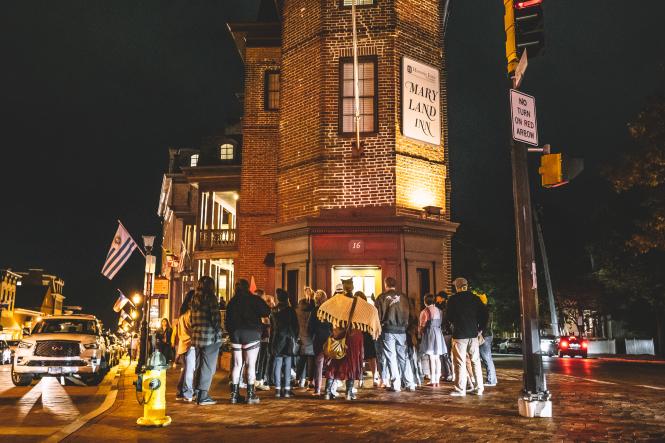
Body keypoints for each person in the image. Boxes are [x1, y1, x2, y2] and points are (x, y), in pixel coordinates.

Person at [318, 279, 381, 401]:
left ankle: (327, 392)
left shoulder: (337, 300)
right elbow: (373, 311)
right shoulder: (359, 303)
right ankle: (348, 393)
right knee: (352, 363)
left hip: (339, 334)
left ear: (344, 287)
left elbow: (323, 307)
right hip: (354, 336)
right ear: (352, 287)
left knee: (335, 361)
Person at [225, 278, 271, 404]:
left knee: (237, 365)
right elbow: (267, 311)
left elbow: (227, 320)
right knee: (250, 365)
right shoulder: (254, 300)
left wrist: (231, 332)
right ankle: (250, 395)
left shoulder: (232, 302)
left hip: (236, 334)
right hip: (252, 333)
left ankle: (234, 395)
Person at [445, 277, 488, 397]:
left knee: (460, 362)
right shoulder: (475, 298)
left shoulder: (453, 299)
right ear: (467, 286)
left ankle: (460, 389)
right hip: (473, 334)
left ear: (456, 287)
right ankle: (479, 388)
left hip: (459, 335)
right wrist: (480, 329)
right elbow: (484, 314)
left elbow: (449, 317)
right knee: (475, 361)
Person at [375, 276, 415, 392]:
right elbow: (412, 314)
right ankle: (409, 383)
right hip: (402, 330)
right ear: (395, 285)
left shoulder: (381, 298)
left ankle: (396, 384)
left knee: (391, 357)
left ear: (385, 284)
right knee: (404, 356)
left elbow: (377, 316)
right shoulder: (403, 297)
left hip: (388, 330)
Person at [191, 276, 223, 405]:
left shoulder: (194, 299)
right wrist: (219, 331)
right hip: (209, 337)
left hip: (197, 337)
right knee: (208, 366)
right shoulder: (211, 298)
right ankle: (203, 395)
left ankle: (197, 393)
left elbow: (191, 319)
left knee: (199, 365)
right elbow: (215, 318)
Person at [270, 288, 300, 398]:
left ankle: (277, 389)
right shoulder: (290, 310)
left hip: (277, 339)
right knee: (288, 364)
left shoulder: (274, 310)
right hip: (288, 339)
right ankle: (287, 389)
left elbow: (272, 327)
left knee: (277, 363)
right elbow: (296, 326)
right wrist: (295, 337)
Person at [418, 293, 446, 387]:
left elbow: (422, 325)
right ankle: (437, 380)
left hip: (429, 334)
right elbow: (440, 322)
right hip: (438, 333)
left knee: (431, 357)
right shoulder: (439, 311)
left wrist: (420, 333)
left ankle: (433, 380)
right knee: (437, 358)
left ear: (425, 301)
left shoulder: (425, 311)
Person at [172, 290, 195, 401]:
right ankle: (187, 393)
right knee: (189, 370)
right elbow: (193, 330)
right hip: (189, 344)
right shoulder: (191, 313)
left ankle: (180, 391)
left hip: (183, 345)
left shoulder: (182, 314)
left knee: (185, 369)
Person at [308, 289, 331, 396]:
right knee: (330, 363)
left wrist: (312, 335)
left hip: (317, 339)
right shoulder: (329, 311)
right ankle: (329, 388)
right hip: (329, 338)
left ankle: (317, 389)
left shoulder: (314, 311)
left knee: (318, 364)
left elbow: (310, 327)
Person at [356, 292, 379, 388]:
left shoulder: (356, 309)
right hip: (368, 333)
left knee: (361, 357)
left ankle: (361, 379)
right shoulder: (369, 308)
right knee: (370, 357)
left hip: (361, 333)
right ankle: (374, 377)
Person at [477, 292, 497, 387]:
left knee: (486, 358)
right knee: (487, 357)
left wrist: (480, 331)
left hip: (485, 335)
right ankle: (492, 379)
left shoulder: (485, 311)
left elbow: (485, 325)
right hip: (487, 335)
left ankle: (491, 380)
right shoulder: (488, 310)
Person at [295, 294, 315, 389]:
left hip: (300, 338)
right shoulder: (313, 312)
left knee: (301, 361)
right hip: (311, 338)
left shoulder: (296, 312)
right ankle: (310, 381)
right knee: (311, 361)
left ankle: (298, 380)